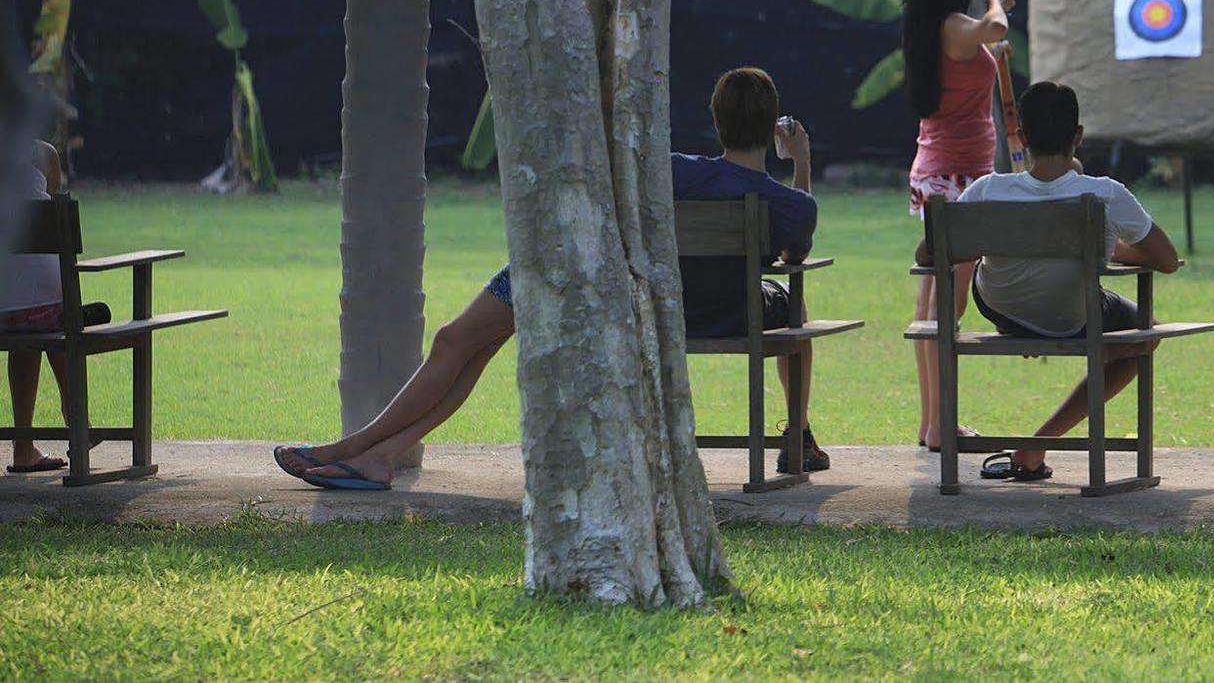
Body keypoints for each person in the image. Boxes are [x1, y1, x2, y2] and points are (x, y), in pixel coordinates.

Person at [274, 67, 825, 491]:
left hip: (653, 308)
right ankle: (796, 435)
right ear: (772, 121)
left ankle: (360, 451)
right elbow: (795, 252)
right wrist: (798, 162)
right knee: (791, 309)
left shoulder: (670, 170)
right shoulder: (790, 205)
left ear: (716, 118)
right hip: (729, 311)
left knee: (460, 344)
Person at [919, 81, 1181, 483]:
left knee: (1004, 280)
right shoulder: (1105, 193)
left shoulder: (988, 190)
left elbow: (927, 254)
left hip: (1002, 308)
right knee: (1148, 334)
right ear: (1078, 136)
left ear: (1022, 137)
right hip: (1070, 315)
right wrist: (1105, 248)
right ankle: (1039, 441)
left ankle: (1031, 444)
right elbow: (1165, 260)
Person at [901, 0, 1014, 453]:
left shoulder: (932, 26)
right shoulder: (956, 24)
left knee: (931, 307)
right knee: (945, 309)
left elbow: (979, 54)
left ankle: (933, 423)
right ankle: (941, 422)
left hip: (937, 175)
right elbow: (992, 30)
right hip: (959, 182)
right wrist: (998, 1)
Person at [2, 141, 99, 476]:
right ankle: (77, 420)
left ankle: (23, 447)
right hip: (43, 300)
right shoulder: (40, 153)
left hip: (9, 309)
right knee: (57, 320)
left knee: (31, 328)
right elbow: (48, 220)